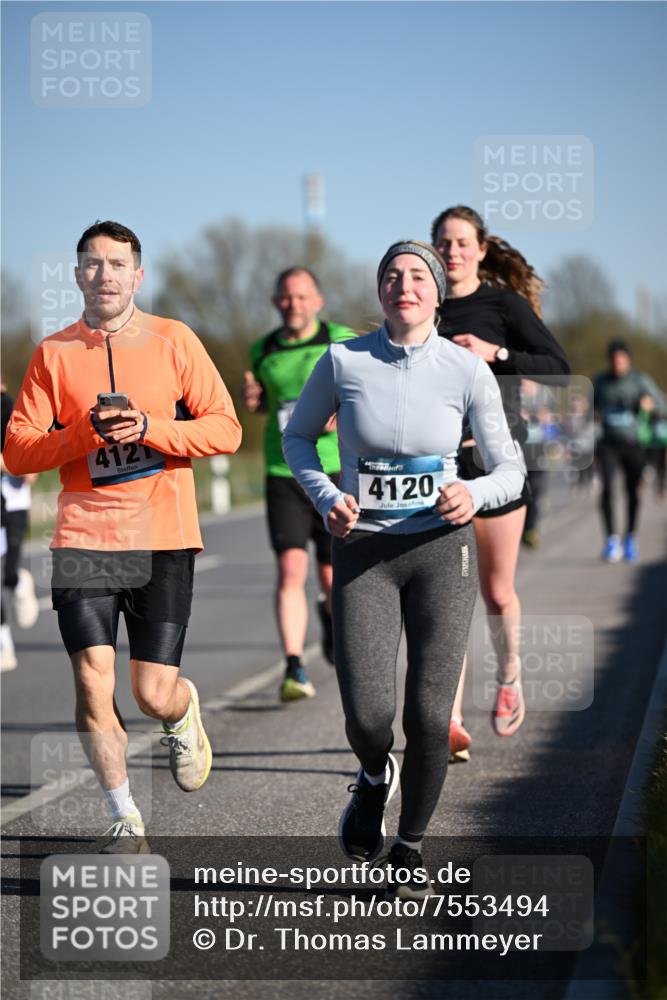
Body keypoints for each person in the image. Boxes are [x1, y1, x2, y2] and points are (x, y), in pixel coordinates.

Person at [283, 240, 524, 897]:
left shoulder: (464, 370)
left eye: (417, 275)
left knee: (426, 716)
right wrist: (328, 496)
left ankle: (410, 845)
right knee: (367, 714)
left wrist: (471, 494)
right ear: (379, 292)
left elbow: (511, 470)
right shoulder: (341, 360)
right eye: (391, 275)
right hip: (362, 549)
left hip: (441, 550)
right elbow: (296, 437)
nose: (403, 284)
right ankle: (370, 776)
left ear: (437, 293)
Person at [4, 220, 242, 851]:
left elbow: (225, 429)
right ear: (77, 274)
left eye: (117, 264)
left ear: (138, 275)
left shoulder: (174, 340)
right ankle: (123, 815)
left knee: (149, 691)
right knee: (90, 679)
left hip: (162, 530)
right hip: (85, 532)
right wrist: (83, 433)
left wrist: (150, 428)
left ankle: (181, 711)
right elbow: (19, 452)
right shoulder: (53, 354)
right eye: (92, 263)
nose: (104, 274)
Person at [431, 206, 570, 760]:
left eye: (462, 242)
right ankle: (452, 722)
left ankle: (509, 675)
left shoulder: (503, 304)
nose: (452, 251)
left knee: (495, 591)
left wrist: (497, 354)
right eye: (443, 242)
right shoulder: (425, 303)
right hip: (440, 474)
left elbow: (559, 367)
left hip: (497, 467)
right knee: (449, 600)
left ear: (482, 249)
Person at [242, 268, 355, 702]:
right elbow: (263, 401)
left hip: (334, 470)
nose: (294, 304)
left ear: (319, 301)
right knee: (290, 569)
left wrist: (341, 412)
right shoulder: (261, 350)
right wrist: (254, 402)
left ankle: (330, 617)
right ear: (275, 301)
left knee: (331, 575)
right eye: (286, 297)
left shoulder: (342, 339)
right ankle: (294, 667)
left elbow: (364, 390)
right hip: (283, 469)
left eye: (303, 296)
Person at [593, 340, 665, 562]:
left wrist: (648, 406)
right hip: (608, 443)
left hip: (634, 443)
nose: (618, 363)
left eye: (621, 359)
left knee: (633, 492)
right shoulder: (601, 382)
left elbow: (661, 407)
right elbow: (592, 408)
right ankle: (611, 540)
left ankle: (630, 537)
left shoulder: (640, 380)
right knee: (606, 488)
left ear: (628, 360)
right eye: (614, 359)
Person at [1, 384, 40, 642]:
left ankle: (17, 581)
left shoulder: (8, 406)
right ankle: (3, 642)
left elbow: (27, 466)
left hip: (12, 503)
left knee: (7, 574)